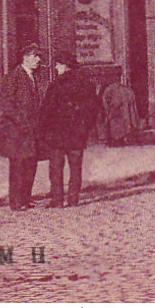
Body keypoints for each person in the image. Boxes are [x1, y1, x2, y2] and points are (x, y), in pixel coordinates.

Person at [37, 52, 98, 208]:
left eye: (58, 64)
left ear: (65, 66)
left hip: (57, 135)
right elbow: (93, 110)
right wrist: (85, 128)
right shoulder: (86, 84)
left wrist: (42, 130)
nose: (56, 67)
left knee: (56, 168)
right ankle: (73, 199)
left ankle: (57, 200)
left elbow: (46, 111)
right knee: (75, 168)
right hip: (77, 135)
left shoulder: (56, 85)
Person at [0, 44, 44, 211]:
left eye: (39, 56)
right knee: (18, 165)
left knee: (31, 163)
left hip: (30, 129)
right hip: (16, 131)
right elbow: (5, 103)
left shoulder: (33, 77)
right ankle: (16, 201)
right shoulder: (15, 76)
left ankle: (26, 198)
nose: (38, 59)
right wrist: (20, 121)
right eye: (35, 56)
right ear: (25, 57)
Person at [99, 78, 138, 146]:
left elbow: (110, 104)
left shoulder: (109, 90)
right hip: (123, 112)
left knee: (116, 126)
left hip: (116, 112)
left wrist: (108, 113)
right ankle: (121, 139)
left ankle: (117, 140)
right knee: (122, 125)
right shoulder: (125, 89)